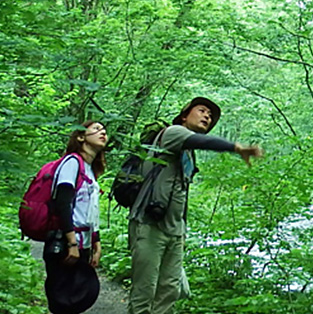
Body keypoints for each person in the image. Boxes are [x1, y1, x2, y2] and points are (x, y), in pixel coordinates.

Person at [127, 96, 263, 314]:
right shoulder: (173, 133)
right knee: (145, 291)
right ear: (184, 115)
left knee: (170, 291)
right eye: (202, 111)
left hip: (174, 231)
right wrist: (236, 147)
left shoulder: (188, 153)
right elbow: (204, 142)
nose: (207, 117)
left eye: (210, 116)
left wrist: (182, 230)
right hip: (149, 225)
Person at [45, 120, 108, 314]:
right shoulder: (72, 163)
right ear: (81, 137)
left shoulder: (90, 170)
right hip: (65, 244)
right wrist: (71, 243)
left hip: (83, 244)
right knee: (63, 301)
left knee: (78, 298)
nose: (103, 132)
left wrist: (96, 243)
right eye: (96, 129)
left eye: (105, 130)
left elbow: (88, 211)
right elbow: (62, 203)